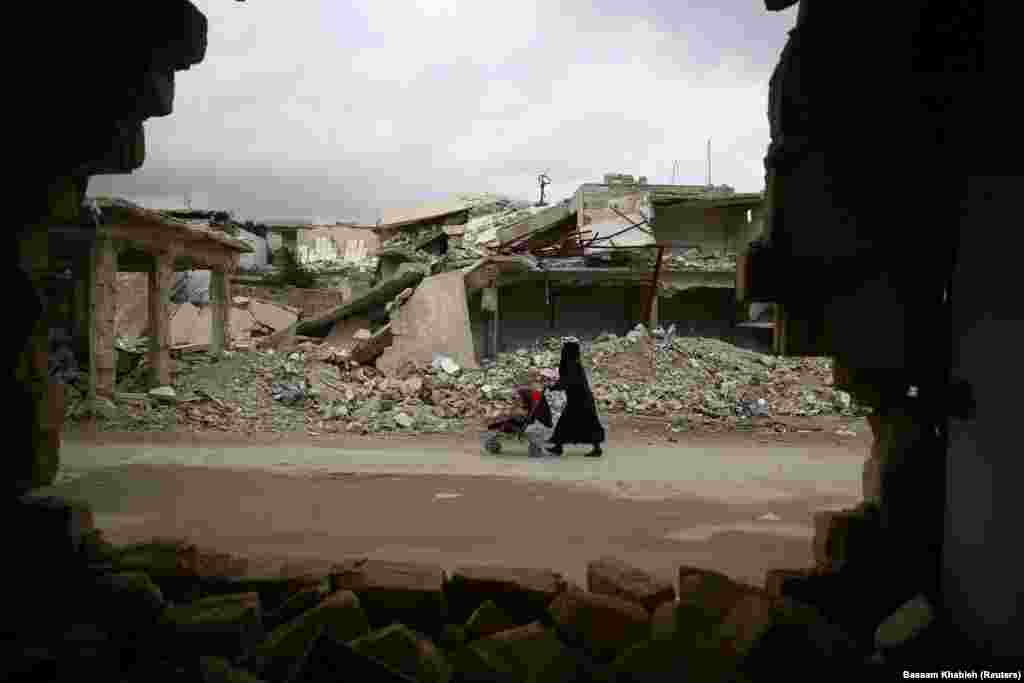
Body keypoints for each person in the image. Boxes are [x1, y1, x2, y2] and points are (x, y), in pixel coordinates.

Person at [546, 338, 605, 457]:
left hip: (580, 400)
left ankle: (558, 446)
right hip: (581, 398)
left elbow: (568, 381)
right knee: (587, 423)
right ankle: (559, 446)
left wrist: (553, 387)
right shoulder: (574, 362)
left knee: (570, 422)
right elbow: (568, 381)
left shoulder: (571, 364)